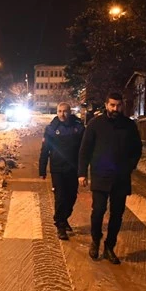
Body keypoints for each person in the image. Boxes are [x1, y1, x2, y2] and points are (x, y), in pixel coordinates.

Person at [78, 92, 142, 264]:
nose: (115, 108)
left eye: (118, 105)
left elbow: (137, 149)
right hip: (100, 176)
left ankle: (109, 247)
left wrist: (129, 166)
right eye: (112, 105)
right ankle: (95, 240)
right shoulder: (95, 124)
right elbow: (85, 150)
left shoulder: (129, 126)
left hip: (120, 178)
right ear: (106, 105)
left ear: (122, 106)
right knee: (98, 211)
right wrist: (82, 173)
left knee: (117, 214)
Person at [40, 102, 85, 240]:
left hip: (73, 168)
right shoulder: (51, 129)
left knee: (71, 197)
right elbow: (45, 150)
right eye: (59, 111)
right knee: (60, 197)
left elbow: (84, 149)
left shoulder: (78, 127)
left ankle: (64, 218)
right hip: (57, 168)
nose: (62, 114)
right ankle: (60, 225)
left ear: (70, 112)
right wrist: (42, 169)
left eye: (65, 111)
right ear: (56, 112)